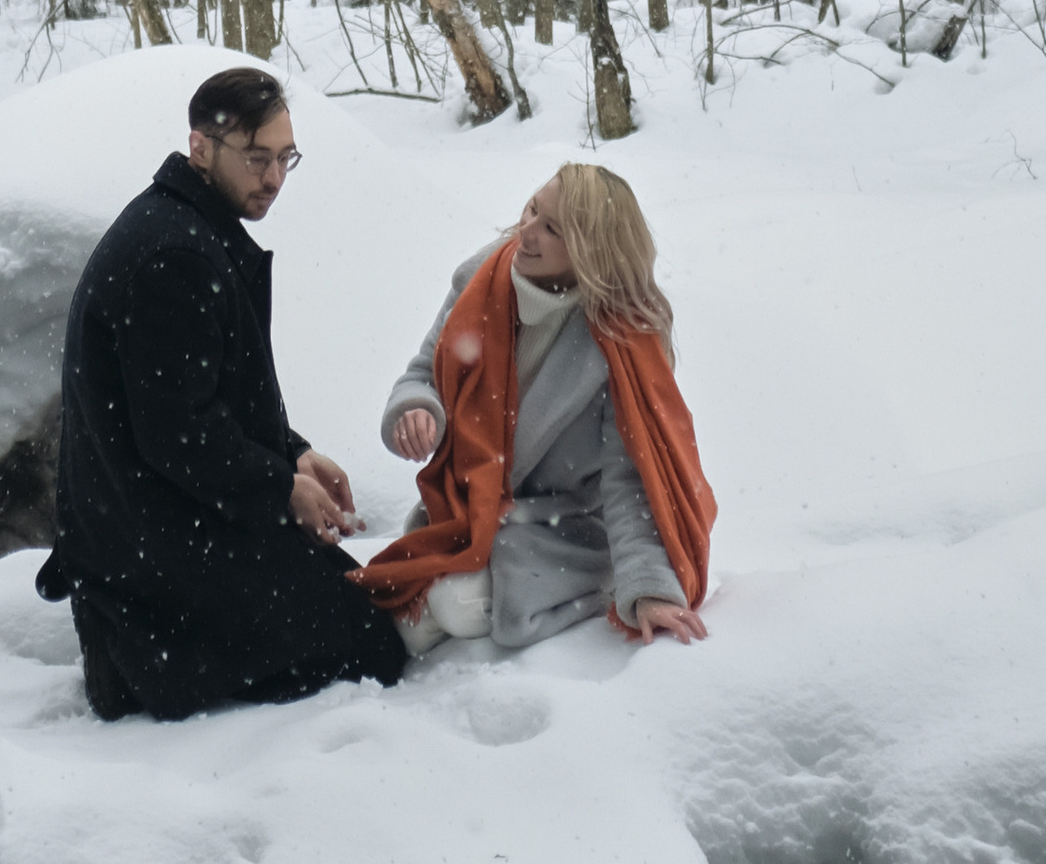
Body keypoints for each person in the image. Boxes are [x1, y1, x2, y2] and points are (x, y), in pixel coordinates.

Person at [38, 66, 408, 720]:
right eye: (257, 158)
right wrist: (277, 487)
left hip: (163, 523)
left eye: (286, 158)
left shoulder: (189, 227)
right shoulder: (171, 255)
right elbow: (175, 432)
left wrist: (291, 455)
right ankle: (127, 664)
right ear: (201, 146)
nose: (273, 178)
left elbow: (207, 399)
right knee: (366, 641)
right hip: (145, 554)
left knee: (360, 608)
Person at [357, 161, 713, 655]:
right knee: (399, 621)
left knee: (450, 607)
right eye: (532, 209)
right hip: (464, 511)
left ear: (590, 252)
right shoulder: (480, 282)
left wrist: (648, 587)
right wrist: (417, 410)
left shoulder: (622, 344)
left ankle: (595, 584)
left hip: (559, 530)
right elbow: (423, 373)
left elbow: (632, 479)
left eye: (552, 229)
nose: (526, 230)